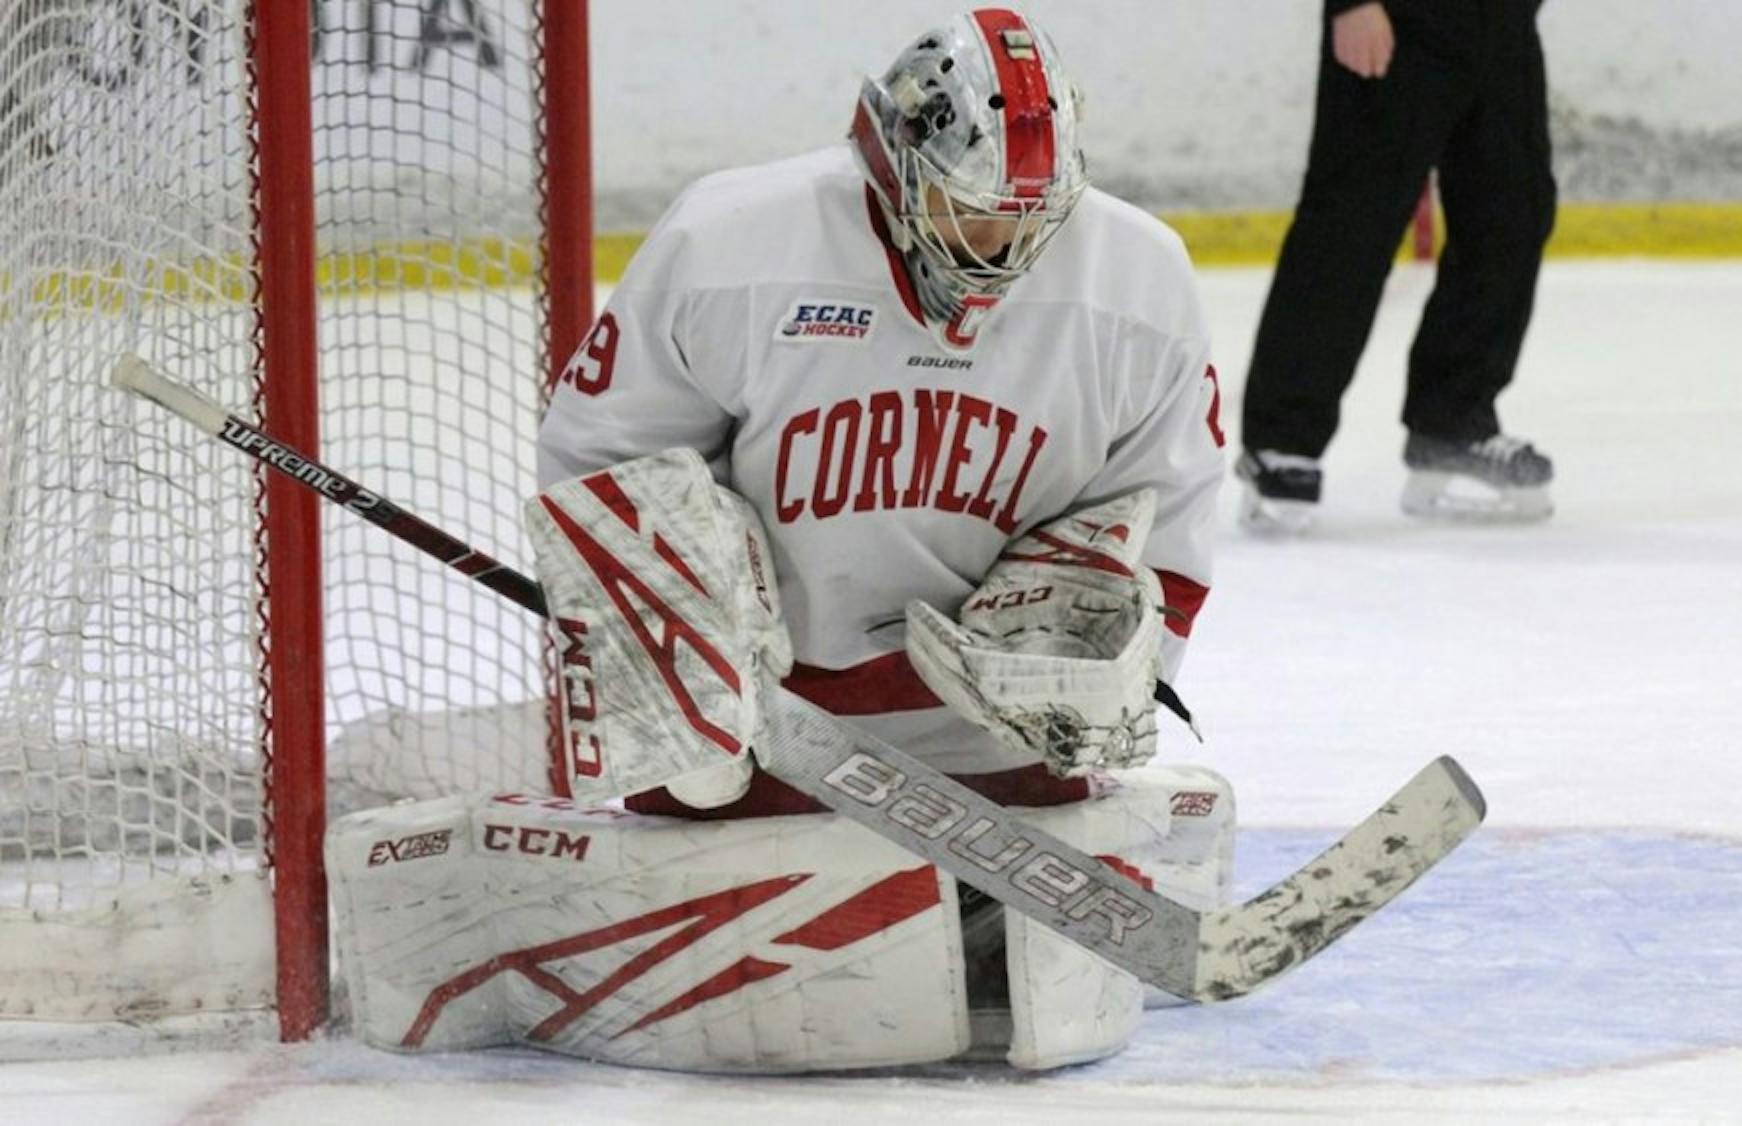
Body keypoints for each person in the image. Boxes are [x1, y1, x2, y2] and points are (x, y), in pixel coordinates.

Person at [324, 8, 1234, 1074]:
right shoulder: (732, 242)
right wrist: (670, 647)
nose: (998, 245)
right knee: (690, 709)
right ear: (892, 160)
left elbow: (1169, 506)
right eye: (969, 208)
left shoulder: (1137, 277)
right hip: (765, 715)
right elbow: (601, 454)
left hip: (994, 716)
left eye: (1027, 216)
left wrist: (1113, 676)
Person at [1236, 0, 1558, 531]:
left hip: (1503, 20)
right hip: (1399, 18)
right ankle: (1282, 441)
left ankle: (1452, 422)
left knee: (1512, 217)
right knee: (1353, 222)